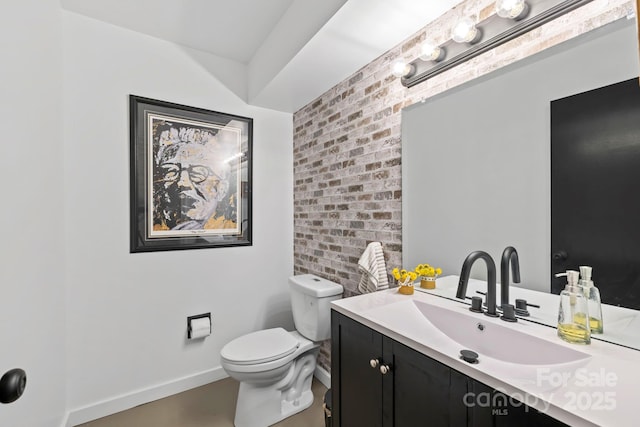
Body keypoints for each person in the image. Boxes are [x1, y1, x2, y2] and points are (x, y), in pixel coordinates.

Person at [152, 123, 236, 232]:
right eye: (171, 172)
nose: (182, 182)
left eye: (198, 173)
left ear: (222, 189)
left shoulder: (230, 228)